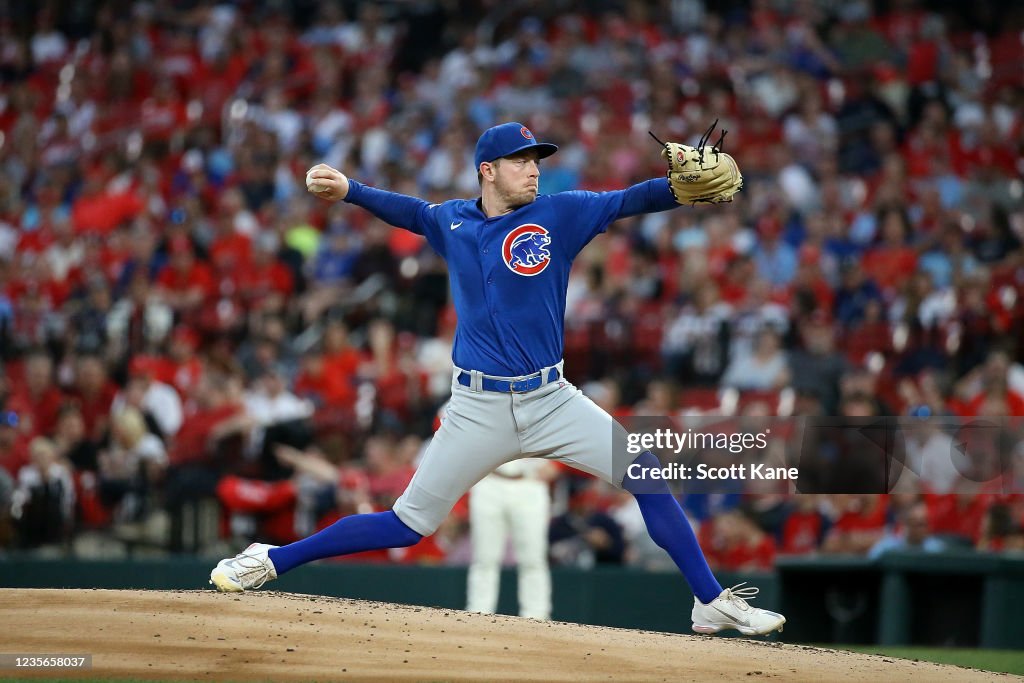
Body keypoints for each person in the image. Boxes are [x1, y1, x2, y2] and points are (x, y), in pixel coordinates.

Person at [210, 122, 786, 636]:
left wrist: (677, 188)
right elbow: (409, 211)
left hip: (552, 398)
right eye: (521, 160)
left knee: (648, 476)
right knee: (408, 524)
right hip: (475, 409)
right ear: (488, 170)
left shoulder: (560, 213)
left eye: (537, 159)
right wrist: (351, 191)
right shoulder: (452, 221)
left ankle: (709, 601)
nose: (533, 169)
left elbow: (632, 199)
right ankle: (273, 558)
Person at [466, 458, 556, 620]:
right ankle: (478, 614)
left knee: (533, 559)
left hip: (530, 480)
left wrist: (559, 465)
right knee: (484, 558)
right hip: (489, 479)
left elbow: (573, 433)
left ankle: (537, 616)